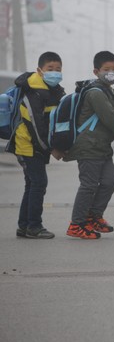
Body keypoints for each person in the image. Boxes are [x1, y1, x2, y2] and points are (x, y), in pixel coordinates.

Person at [65, 51, 114, 239]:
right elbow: (112, 119)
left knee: (110, 181)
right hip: (88, 146)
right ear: (96, 71)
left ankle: (93, 216)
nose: (111, 73)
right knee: (88, 185)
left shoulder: (108, 91)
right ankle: (76, 224)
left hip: (101, 147)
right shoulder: (95, 93)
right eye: (107, 69)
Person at [7, 52, 65, 239]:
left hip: (36, 145)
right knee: (39, 183)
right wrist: (51, 149)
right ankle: (34, 226)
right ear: (40, 70)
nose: (55, 72)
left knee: (31, 184)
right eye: (50, 69)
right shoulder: (33, 91)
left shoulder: (54, 91)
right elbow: (37, 126)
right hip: (28, 145)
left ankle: (24, 226)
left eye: (58, 69)